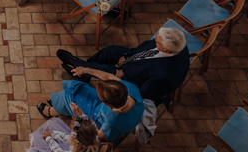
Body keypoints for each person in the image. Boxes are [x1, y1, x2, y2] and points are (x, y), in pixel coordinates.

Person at [56, 26, 190, 107]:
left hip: (131, 79)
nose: (155, 40)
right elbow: (144, 47)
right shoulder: (177, 44)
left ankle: (77, 65)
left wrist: (124, 74)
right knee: (111, 50)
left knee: (106, 71)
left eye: (158, 41)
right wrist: (126, 56)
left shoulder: (164, 76)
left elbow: (142, 92)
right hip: (132, 60)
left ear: (166, 50)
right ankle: (83, 70)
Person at [38, 76, 144, 143]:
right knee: (81, 89)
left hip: (98, 121)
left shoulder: (113, 122)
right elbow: (109, 77)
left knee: (69, 97)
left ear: (107, 104)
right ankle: (59, 107)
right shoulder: (131, 90)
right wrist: (87, 70)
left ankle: (53, 111)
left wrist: (81, 115)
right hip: (100, 108)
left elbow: (97, 136)